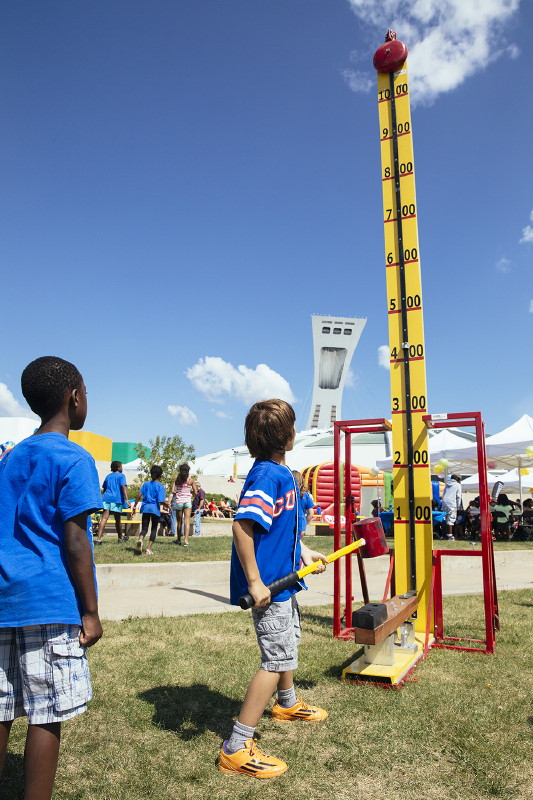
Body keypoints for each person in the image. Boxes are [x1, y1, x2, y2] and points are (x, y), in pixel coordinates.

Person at [0, 356, 103, 800]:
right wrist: (91, 612)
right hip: (49, 599)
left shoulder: (11, 456)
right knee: (46, 711)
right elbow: (76, 541)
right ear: (74, 397)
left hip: (3, 599)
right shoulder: (75, 458)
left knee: (1, 707)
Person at [217, 399, 329, 779]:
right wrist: (255, 582)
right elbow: (242, 527)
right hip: (268, 587)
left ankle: (286, 703)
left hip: (284, 582)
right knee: (276, 657)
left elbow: (282, 530)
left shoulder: (281, 472)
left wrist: (304, 552)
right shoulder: (269, 476)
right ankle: (236, 746)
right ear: (287, 436)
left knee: (287, 643)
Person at [133, 466, 166, 555]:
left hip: (145, 508)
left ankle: (140, 539)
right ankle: (148, 549)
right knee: (154, 529)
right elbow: (161, 500)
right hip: (154, 509)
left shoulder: (145, 484)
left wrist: (134, 506)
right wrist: (167, 505)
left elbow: (139, 496)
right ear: (160, 475)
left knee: (144, 528)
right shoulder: (160, 486)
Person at [95, 460, 129, 543]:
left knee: (104, 518)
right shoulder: (121, 476)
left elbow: (104, 488)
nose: (122, 468)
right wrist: (126, 499)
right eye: (121, 466)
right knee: (117, 519)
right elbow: (123, 487)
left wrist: (103, 497)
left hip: (106, 498)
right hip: (116, 499)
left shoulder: (108, 476)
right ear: (118, 467)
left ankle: (98, 539)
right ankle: (120, 538)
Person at [169, 464, 197, 546]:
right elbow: (195, 492)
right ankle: (186, 541)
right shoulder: (190, 480)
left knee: (179, 522)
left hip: (179, 502)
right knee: (187, 521)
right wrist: (189, 492)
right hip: (187, 502)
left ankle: (178, 539)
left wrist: (179, 492)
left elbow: (172, 491)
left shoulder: (177, 479)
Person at [292, 470, 315, 539]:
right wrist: (304, 523)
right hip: (301, 525)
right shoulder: (305, 495)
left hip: (289, 525)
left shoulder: (288, 495)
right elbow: (311, 513)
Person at [441, 474, 462, 540]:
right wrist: (459, 507)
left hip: (445, 502)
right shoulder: (458, 485)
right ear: (457, 479)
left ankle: (443, 534)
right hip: (452, 503)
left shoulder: (446, 484)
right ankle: (450, 536)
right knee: (451, 519)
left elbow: (444, 494)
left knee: (445, 518)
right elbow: (458, 497)